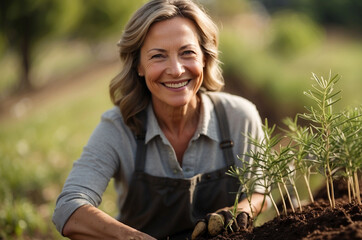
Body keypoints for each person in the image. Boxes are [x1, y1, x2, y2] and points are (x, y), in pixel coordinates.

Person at [52, 0, 267, 239]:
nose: (176, 70)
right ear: (138, 66)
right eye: (158, 56)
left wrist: (235, 212)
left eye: (187, 53)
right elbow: (68, 209)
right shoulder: (119, 127)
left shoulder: (238, 117)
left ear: (205, 58)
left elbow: (260, 192)